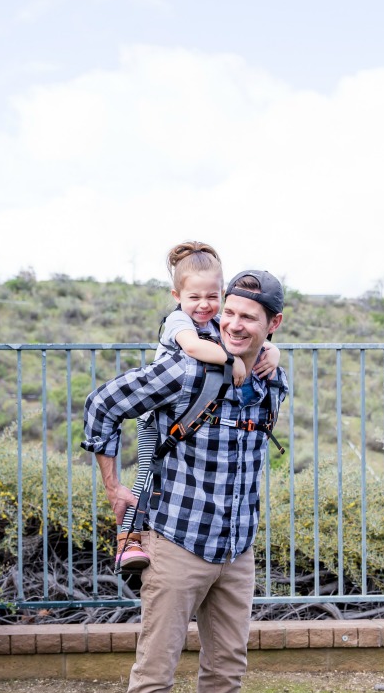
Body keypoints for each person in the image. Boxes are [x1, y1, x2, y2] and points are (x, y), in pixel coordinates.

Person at [83, 267, 295, 693]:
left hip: (236, 547)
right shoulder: (184, 367)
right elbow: (103, 405)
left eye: (248, 317)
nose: (231, 322)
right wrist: (114, 488)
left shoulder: (274, 375)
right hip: (176, 543)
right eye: (227, 312)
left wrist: (268, 359)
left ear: (272, 325)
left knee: (226, 669)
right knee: (155, 673)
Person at [116, 242, 280, 573]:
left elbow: (247, 334)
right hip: (157, 412)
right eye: (194, 298)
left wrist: (273, 352)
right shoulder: (179, 322)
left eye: (212, 297)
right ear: (177, 296)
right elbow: (193, 347)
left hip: (185, 408)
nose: (204, 305)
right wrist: (228, 357)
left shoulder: (215, 320)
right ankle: (127, 538)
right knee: (148, 472)